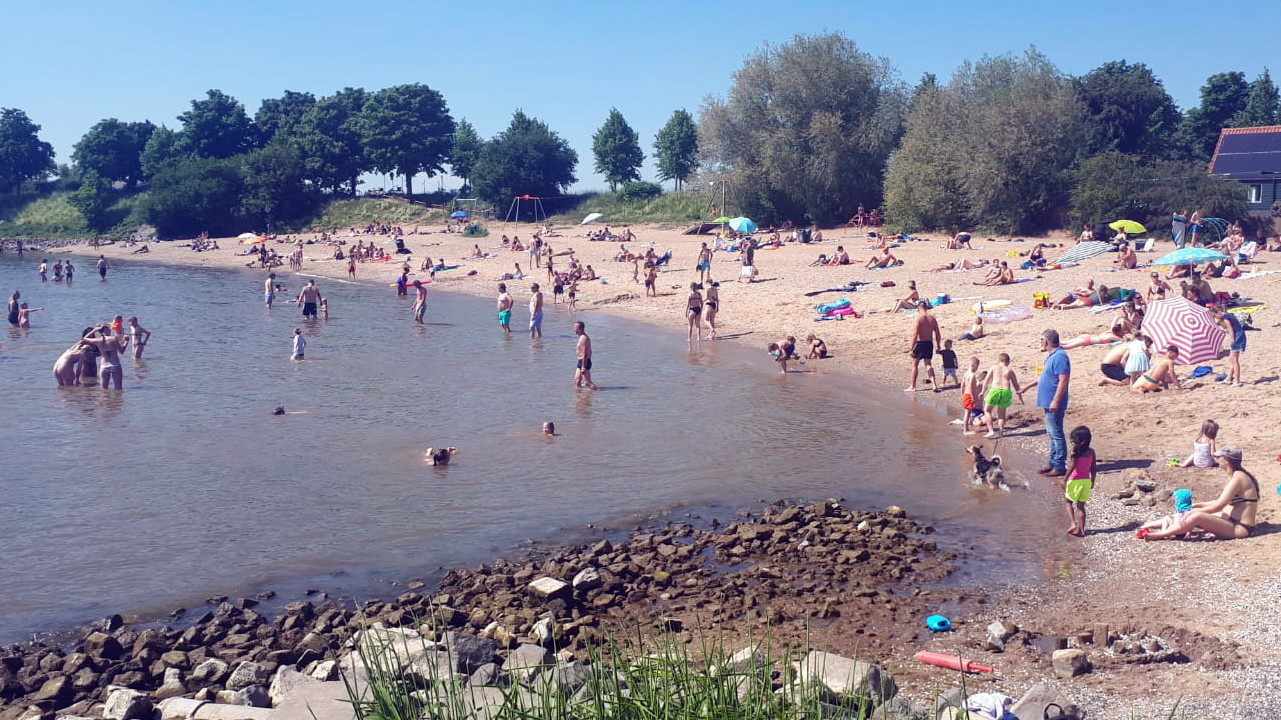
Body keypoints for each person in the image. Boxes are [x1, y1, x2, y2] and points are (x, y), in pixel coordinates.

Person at [1144, 446, 1259, 540]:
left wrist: (1196, 511)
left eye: (1219, 457)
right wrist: (1198, 505)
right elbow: (1219, 501)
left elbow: (1218, 506)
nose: (1217, 459)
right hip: (1228, 519)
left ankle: (1160, 535)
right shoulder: (1234, 476)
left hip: (1239, 528)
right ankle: (1149, 525)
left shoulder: (1238, 478)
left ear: (1227, 460)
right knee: (1189, 511)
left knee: (1196, 516)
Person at [1029, 329, 1071, 477]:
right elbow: (1043, 377)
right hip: (1047, 402)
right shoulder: (1052, 356)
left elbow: (1063, 380)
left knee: (1056, 433)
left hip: (1054, 402)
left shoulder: (1060, 357)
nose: (1040, 342)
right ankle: (1053, 462)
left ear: (1046, 341)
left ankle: (1059, 465)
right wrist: (1026, 387)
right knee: (1052, 433)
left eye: (1041, 340)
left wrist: (1055, 401)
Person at [1062, 426, 1096, 537]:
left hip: (1074, 480)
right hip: (1086, 481)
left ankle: (1073, 523)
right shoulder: (1091, 452)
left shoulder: (1075, 452)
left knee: (1068, 501)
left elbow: (1072, 467)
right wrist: (1092, 481)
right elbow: (1093, 468)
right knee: (1081, 506)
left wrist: (1064, 479)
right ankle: (1081, 530)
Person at [906, 301, 942, 392]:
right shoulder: (932, 318)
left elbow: (915, 334)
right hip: (929, 343)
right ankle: (934, 385)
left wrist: (911, 348)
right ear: (926, 308)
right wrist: (938, 346)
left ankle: (913, 386)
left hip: (920, 343)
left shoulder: (919, 319)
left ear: (919, 308)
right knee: (928, 364)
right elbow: (937, 333)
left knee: (915, 365)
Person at [79, 324, 127, 389]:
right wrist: (126, 342)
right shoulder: (114, 338)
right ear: (106, 330)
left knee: (103, 390)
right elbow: (121, 351)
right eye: (109, 329)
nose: (110, 330)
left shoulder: (98, 340)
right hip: (115, 364)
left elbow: (84, 338)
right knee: (118, 388)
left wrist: (94, 330)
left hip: (104, 366)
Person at [1215, 306, 1246, 387]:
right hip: (1240, 336)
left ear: (1218, 313)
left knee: (1235, 360)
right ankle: (1229, 379)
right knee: (1231, 359)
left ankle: (1237, 381)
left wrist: (1232, 341)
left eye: (1215, 315)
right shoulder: (1230, 315)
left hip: (1237, 337)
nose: (1216, 317)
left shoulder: (1225, 318)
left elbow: (1230, 329)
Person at [959, 358, 985, 435]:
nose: (977, 368)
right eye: (977, 366)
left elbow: (962, 385)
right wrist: (973, 397)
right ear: (974, 365)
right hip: (969, 395)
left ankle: (966, 427)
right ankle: (965, 430)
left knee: (967, 413)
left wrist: (962, 394)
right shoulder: (972, 375)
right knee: (967, 413)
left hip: (966, 394)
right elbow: (970, 386)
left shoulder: (966, 373)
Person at [573, 321, 597, 390]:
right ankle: (579, 396)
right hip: (581, 361)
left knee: (587, 383)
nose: (573, 329)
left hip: (584, 361)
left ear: (579, 329)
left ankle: (597, 391)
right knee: (577, 381)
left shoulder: (584, 338)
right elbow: (590, 351)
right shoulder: (581, 337)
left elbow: (584, 353)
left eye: (575, 328)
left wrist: (583, 366)